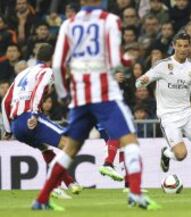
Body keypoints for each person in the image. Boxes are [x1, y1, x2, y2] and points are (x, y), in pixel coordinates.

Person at [32, 0, 160, 211]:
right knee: (130, 141)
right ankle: (135, 193)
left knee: (69, 149)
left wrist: (64, 95)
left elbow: (57, 65)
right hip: (105, 95)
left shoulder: (68, 24)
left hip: (81, 98)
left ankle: (42, 198)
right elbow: (116, 58)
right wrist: (127, 60)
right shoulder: (109, 20)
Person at [136, 33, 191, 192]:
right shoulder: (162, 65)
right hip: (168, 116)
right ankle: (166, 153)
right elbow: (140, 82)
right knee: (181, 155)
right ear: (174, 46)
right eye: (180, 45)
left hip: (187, 113)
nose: (183, 49)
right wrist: (141, 82)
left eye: (186, 46)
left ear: (190, 47)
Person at [1, 44, 81, 200]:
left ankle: (69, 183)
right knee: (69, 144)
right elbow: (39, 89)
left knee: (45, 149)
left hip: (17, 125)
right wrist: (35, 114)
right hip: (30, 118)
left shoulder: (22, 74)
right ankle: (54, 186)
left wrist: (8, 129)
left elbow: (5, 101)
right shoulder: (46, 71)